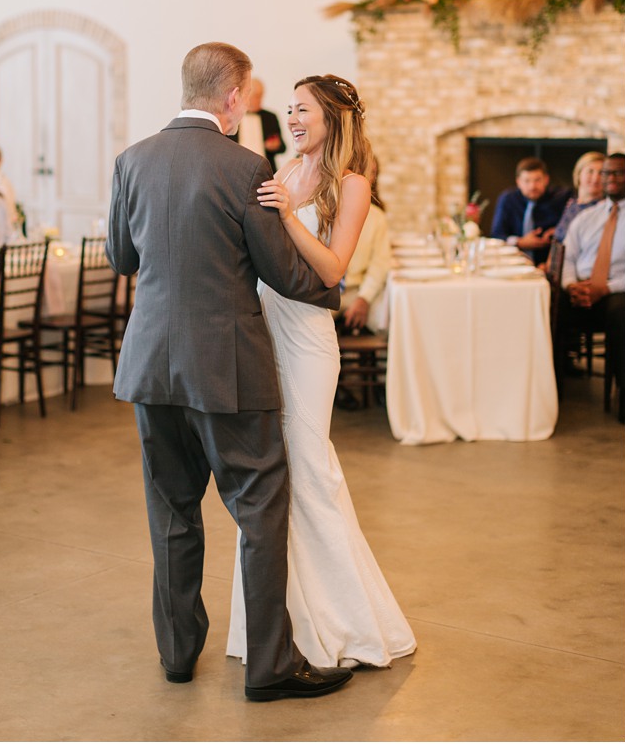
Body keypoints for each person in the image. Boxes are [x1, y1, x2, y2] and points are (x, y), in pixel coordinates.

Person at [107, 42, 352, 702]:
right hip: (228, 368)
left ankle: (178, 657)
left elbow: (122, 258)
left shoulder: (131, 161)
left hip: (152, 367)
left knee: (172, 511)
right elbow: (281, 271)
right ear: (234, 98)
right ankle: (270, 666)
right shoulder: (247, 167)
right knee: (260, 508)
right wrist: (334, 290)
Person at [226, 73, 416, 672]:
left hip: (307, 335)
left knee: (310, 469)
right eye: (289, 109)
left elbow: (334, 269)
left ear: (333, 116)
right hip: (262, 326)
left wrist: (287, 217)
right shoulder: (281, 172)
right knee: (269, 473)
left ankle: (345, 623)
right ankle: (274, 625)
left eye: (303, 109)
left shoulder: (351, 183)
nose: (294, 118)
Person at [556, 152, 625, 420]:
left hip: (617, 292)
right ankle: (551, 391)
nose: (610, 178)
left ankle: (624, 393)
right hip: (581, 290)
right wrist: (571, 285)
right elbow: (568, 257)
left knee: (622, 312)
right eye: (607, 173)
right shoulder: (587, 217)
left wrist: (605, 288)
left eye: (618, 172)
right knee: (547, 304)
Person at [337, 157, 392, 336]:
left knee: (389, 322)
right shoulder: (327, 209)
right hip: (326, 293)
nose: (368, 178)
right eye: (363, 171)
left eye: (373, 173)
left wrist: (364, 298)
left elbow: (380, 264)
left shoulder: (377, 218)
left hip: (356, 290)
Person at [490, 157, 569, 266]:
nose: (532, 186)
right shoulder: (507, 199)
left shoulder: (561, 198)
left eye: (537, 180)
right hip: (512, 263)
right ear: (518, 182)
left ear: (546, 179)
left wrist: (558, 230)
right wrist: (520, 242)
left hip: (548, 263)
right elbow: (496, 235)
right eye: (527, 181)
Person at [233, 78, 286, 173]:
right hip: (237, 169)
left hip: (264, 170)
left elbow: (283, 147)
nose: (259, 100)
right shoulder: (233, 116)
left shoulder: (270, 117)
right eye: (256, 96)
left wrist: (276, 145)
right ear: (246, 95)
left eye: (261, 96)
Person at [553, 151, 607, 243]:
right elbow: (557, 241)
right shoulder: (571, 203)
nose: (595, 178)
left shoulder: (605, 209)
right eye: (590, 171)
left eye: (601, 173)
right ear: (579, 174)